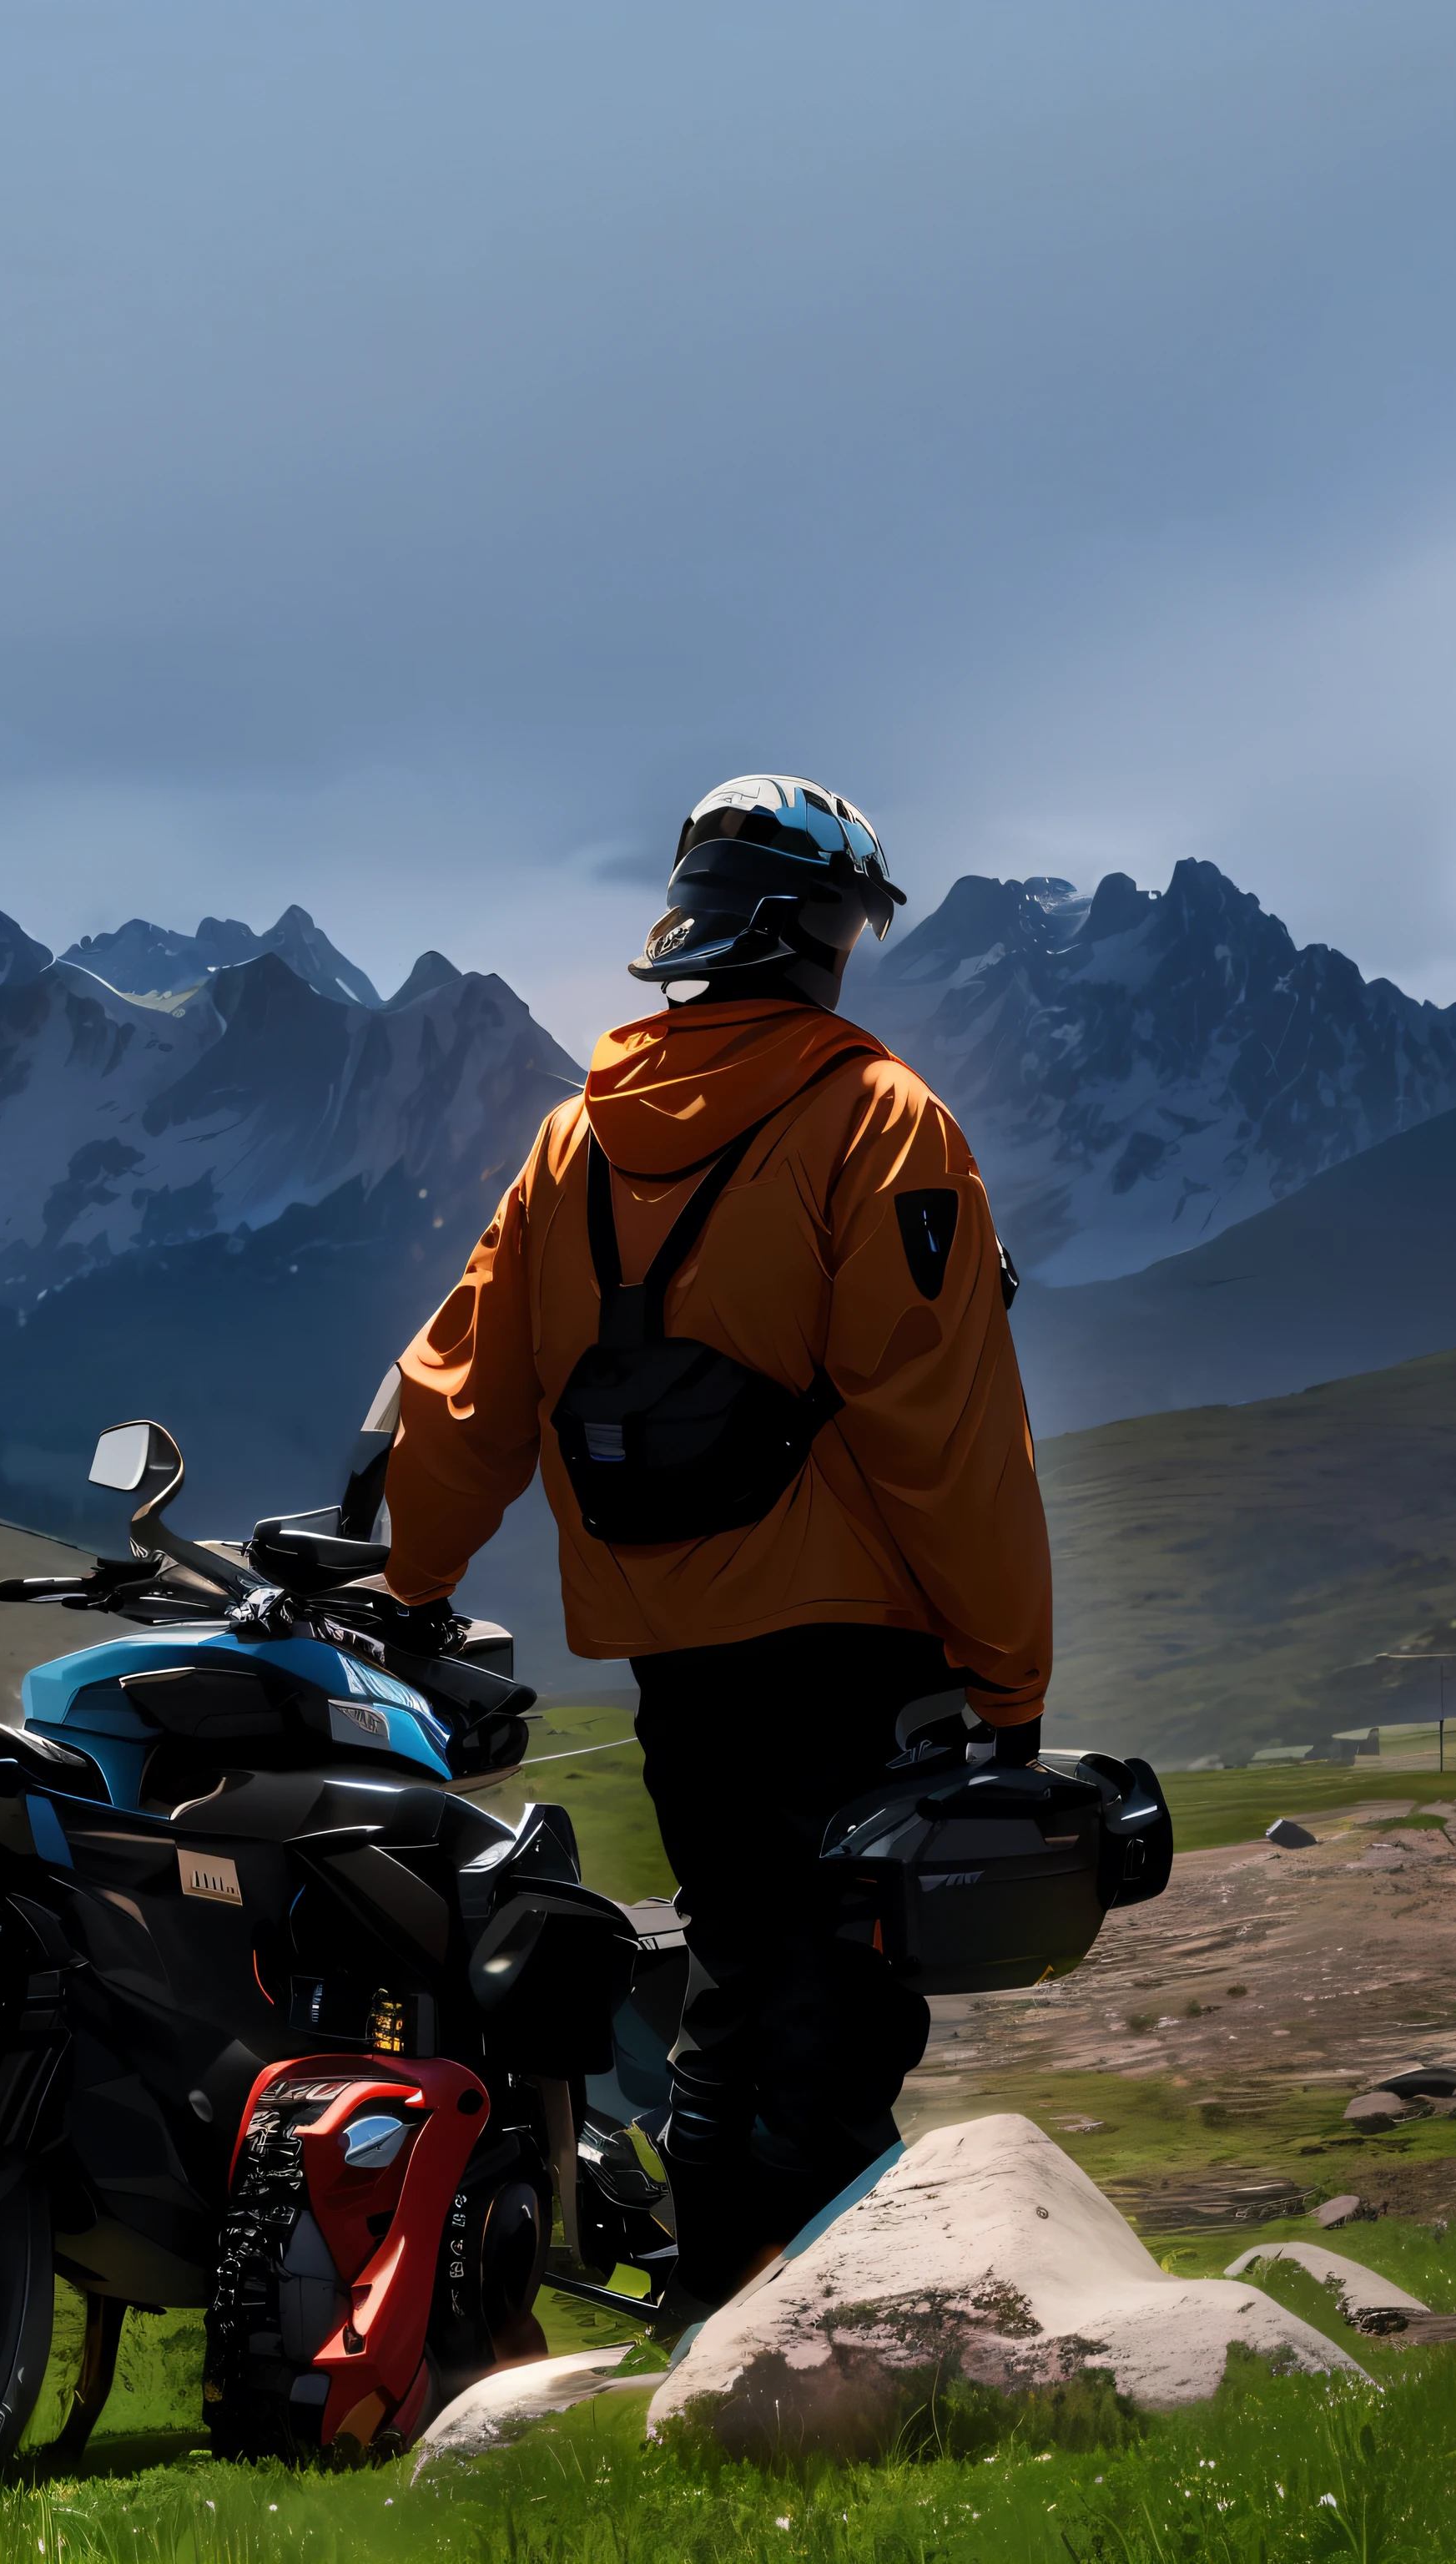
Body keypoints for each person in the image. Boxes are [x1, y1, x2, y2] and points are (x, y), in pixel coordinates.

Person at [380, 774, 1052, 2324]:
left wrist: (415, 1589)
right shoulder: (880, 1124)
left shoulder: (569, 1148)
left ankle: (708, 2306)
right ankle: (810, 2343)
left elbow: (462, 1394)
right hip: (860, 1655)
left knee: (740, 1978)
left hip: (679, 1660)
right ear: (822, 929)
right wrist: (1008, 1677)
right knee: (841, 2005)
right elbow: (944, 1440)